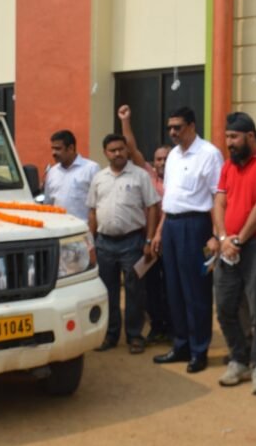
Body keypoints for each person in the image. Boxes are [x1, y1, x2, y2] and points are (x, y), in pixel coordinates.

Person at [212, 113, 256, 395]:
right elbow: (219, 204)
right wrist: (223, 238)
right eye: (227, 137)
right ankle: (239, 359)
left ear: (250, 136)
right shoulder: (228, 165)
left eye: (234, 137)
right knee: (225, 306)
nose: (229, 143)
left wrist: (239, 239)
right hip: (228, 245)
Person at [151, 107, 224, 373]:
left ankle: (198, 350)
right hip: (172, 225)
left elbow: (218, 196)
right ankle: (181, 345)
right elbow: (170, 198)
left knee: (196, 291)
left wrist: (216, 234)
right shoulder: (172, 156)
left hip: (195, 226)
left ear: (192, 126)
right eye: (170, 127)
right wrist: (160, 231)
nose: (172, 132)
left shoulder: (209, 154)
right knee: (174, 290)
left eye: (178, 127)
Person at [87, 134, 161, 354]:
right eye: (112, 150)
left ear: (127, 150)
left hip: (132, 242)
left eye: (121, 149)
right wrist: (91, 242)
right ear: (105, 153)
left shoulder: (140, 176)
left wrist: (149, 240)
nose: (117, 153)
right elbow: (92, 211)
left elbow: (152, 208)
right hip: (104, 244)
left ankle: (134, 335)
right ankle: (110, 335)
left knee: (134, 291)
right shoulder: (99, 178)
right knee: (107, 291)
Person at [118, 105, 172, 343]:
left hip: (170, 239)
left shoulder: (179, 178)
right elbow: (132, 149)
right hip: (147, 239)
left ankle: (173, 328)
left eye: (166, 158)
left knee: (170, 286)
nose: (162, 162)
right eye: (159, 159)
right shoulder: (148, 174)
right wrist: (125, 121)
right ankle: (157, 326)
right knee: (149, 286)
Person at [44, 130, 100, 221]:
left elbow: (99, 203)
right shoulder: (52, 172)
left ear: (71, 148)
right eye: (52, 149)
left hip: (82, 227)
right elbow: (48, 204)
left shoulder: (91, 168)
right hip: (57, 226)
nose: (53, 153)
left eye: (58, 149)